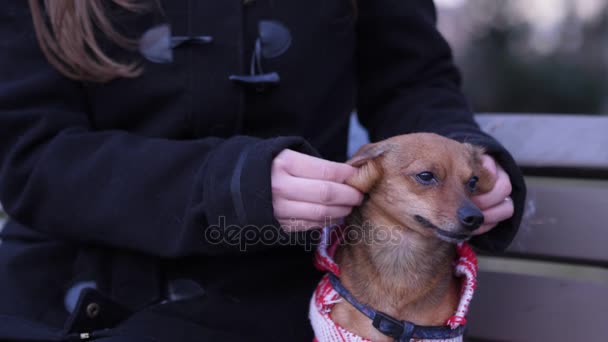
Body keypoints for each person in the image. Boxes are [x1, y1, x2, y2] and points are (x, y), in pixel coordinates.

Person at [0, 0, 525, 341]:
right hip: (62, 295)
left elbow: (412, 82)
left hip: (274, 294)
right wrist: (226, 185)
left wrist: (469, 160)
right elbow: (26, 151)